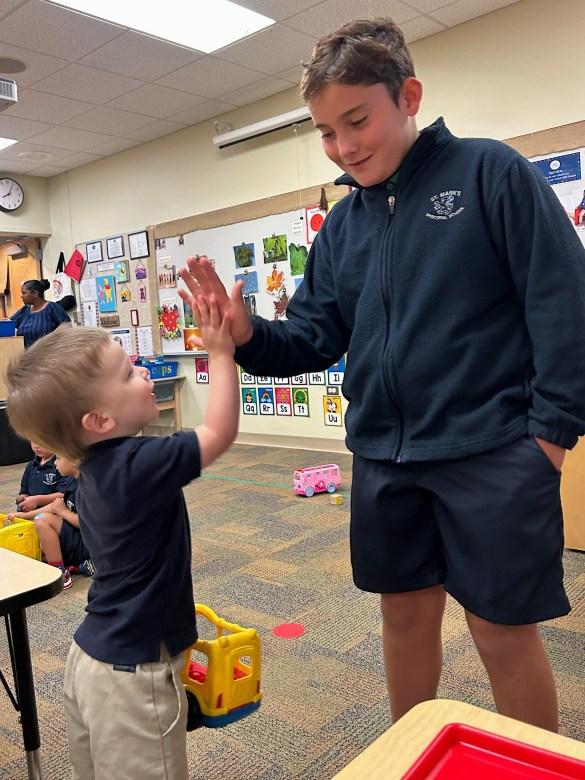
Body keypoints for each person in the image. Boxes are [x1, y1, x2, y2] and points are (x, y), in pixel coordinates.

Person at [179, 18, 585, 733]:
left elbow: (564, 305)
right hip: (383, 458)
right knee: (403, 614)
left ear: (408, 97)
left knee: (499, 631)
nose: (344, 145)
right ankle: (410, 757)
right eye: (326, 132)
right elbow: (312, 336)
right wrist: (246, 334)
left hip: (491, 452)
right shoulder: (343, 226)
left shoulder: (490, 173)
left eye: (357, 120)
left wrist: (547, 439)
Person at [5, 298, 238, 779]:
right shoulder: (138, 464)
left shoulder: (87, 467)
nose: (146, 372)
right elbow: (219, 431)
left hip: (90, 660)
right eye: (130, 373)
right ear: (99, 421)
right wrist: (220, 352)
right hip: (135, 676)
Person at [32, 455, 95, 590]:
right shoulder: (74, 481)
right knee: (41, 543)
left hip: (89, 544)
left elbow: (90, 524)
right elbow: (56, 506)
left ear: (75, 461)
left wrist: (63, 512)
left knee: (42, 521)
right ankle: (78, 566)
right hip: (79, 538)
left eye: (59, 458)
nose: (55, 463)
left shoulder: (89, 487)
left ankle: (60, 575)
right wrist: (24, 515)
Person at [9, 441, 73, 518]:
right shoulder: (30, 465)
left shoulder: (62, 466)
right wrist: (23, 498)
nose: (36, 446)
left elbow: (63, 495)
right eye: (34, 441)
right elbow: (24, 490)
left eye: (41, 442)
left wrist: (38, 500)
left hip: (51, 513)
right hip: (29, 512)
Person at [10, 278, 70, 348]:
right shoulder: (24, 311)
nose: (21, 296)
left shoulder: (52, 308)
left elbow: (67, 328)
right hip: (28, 353)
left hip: (49, 353)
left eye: (24, 293)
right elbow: (8, 325)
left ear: (35, 293)